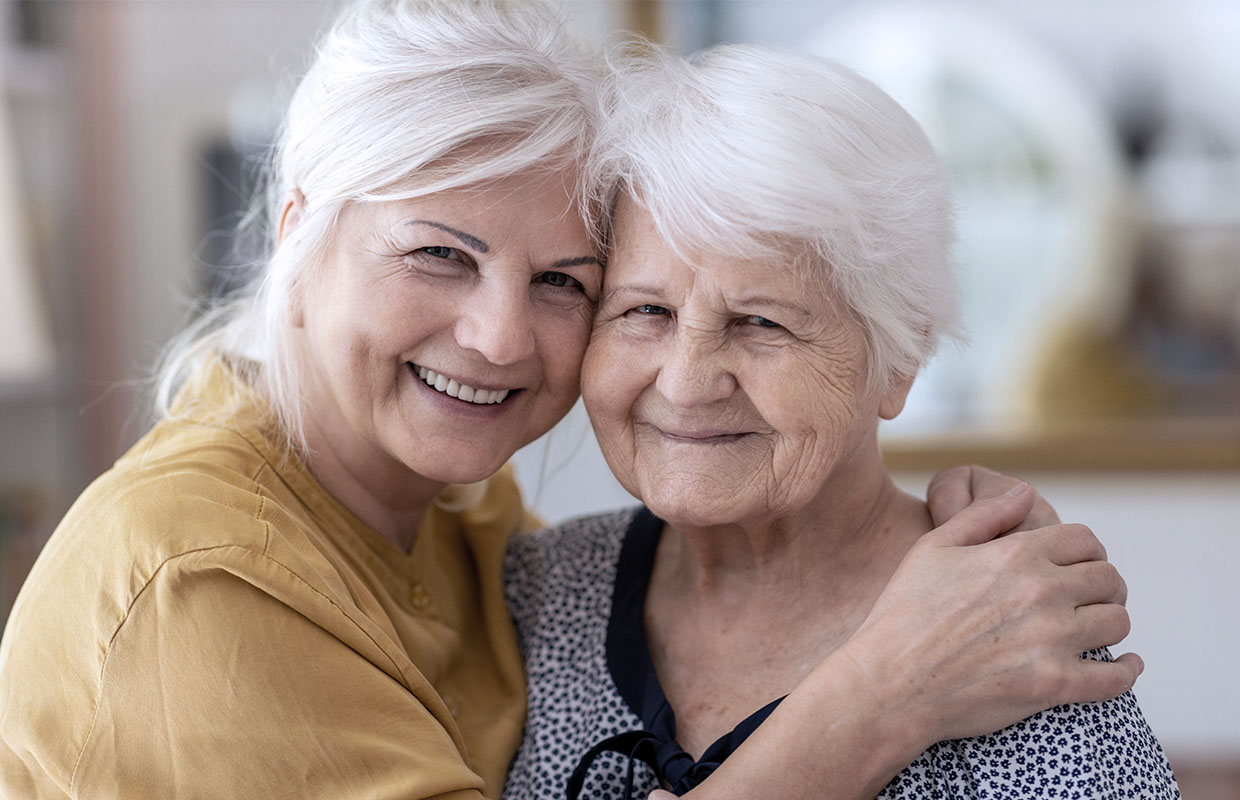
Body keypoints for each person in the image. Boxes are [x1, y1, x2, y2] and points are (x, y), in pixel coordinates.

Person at [0, 2, 1139, 798]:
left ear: (900, 360)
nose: (499, 335)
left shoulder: (481, 539)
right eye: (438, 253)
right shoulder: (201, 582)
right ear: (301, 231)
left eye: (560, 282)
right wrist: (881, 693)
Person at [503, 42, 1178, 800]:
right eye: (646, 311)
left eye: (762, 322)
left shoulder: (1015, 634)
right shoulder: (535, 595)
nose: (688, 383)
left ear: (900, 361)